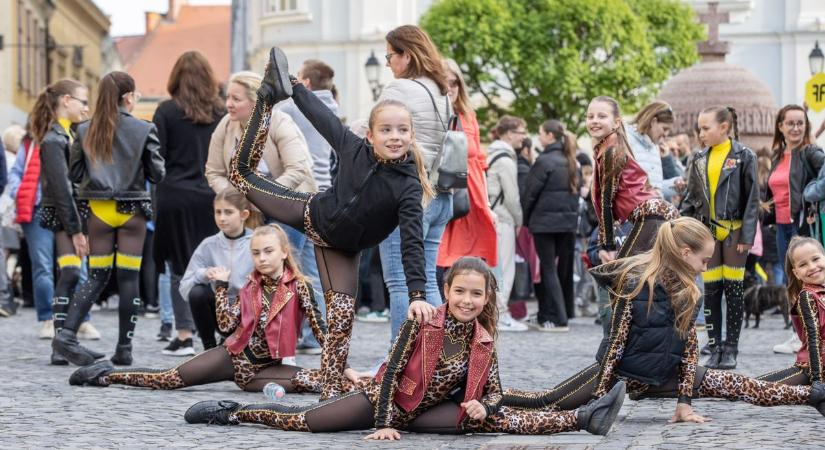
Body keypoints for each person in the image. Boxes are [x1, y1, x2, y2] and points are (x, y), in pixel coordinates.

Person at [184, 256, 627, 438]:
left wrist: (484, 408)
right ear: (446, 290)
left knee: (496, 419)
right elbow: (392, 372)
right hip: (385, 402)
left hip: (426, 411)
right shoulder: (423, 321)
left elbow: (494, 390)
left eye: (477, 295)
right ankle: (233, 412)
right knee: (307, 422)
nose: (468, 301)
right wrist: (382, 424)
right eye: (460, 292)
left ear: (487, 299)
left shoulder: (484, 338)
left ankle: (584, 416)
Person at [227, 47, 434, 400]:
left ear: (411, 136)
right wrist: (292, 87)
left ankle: (330, 389)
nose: (395, 136)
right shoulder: (353, 147)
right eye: (386, 130)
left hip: (343, 250)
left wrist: (417, 294)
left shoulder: (408, 187)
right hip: (309, 212)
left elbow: (412, 242)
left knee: (340, 319)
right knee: (238, 173)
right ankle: (267, 98)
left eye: (402, 130)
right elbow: (322, 118)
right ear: (371, 135)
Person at [501, 217, 825, 421]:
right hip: (620, 373)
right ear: (686, 253)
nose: (705, 267)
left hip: (664, 372)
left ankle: (815, 396)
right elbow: (615, 344)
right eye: (704, 259)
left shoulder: (690, 292)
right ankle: (486, 401)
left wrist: (684, 402)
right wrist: (601, 396)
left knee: (737, 384)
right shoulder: (638, 282)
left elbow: (690, 351)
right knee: (549, 401)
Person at [68, 224, 328, 393]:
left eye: (268, 251)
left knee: (318, 381)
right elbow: (226, 326)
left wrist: (340, 367)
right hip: (233, 358)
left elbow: (322, 331)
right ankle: (107, 375)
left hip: (267, 370)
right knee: (169, 379)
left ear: (284, 252)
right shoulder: (251, 285)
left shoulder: (299, 287)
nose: (261, 258)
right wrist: (222, 288)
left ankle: (359, 388)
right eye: (256, 253)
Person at [53, 71, 166, 366]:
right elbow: (157, 173)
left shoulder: (83, 129)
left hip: (99, 212)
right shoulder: (144, 128)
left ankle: (66, 336)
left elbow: (74, 174)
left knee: (96, 276)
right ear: (129, 97)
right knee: (129, 278)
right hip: (133, 213)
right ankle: (124, 349)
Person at [377, 25, 452, 343]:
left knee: (399, 281)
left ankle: (399, 361)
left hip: (408, 196)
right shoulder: (441, 90)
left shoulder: (400, 90)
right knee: (428, 282)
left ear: (406, 56)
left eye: (389, 56)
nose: (388, 64)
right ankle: (440, 356)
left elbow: (370, 130)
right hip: (440, 195)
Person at [153, 51, 225, 357]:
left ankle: (184, 334)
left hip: (175, 195)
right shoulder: (222, 113)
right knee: (218, 265)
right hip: (212, 195)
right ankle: (223, 331)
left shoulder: (166, 111)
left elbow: (159, 158)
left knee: (180, 267)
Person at [24, 79, 101, 366]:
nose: (86, 107)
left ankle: (64, 341)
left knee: (72, 275)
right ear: (66, 101)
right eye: (82, 101)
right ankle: (62, 342)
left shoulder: (69, 134)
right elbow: (61, 189)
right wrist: (77, 230)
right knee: (71, 274)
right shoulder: (54, 139)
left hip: (74, 216)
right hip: (66, 217)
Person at [681, 106, 759, 370]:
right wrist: (681, 229)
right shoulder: (698, 158)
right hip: (707, 233)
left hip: (735, 231)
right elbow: (690, 199)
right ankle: (714, 347)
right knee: (711, 290)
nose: (701, 133)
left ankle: (731, 348)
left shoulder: (744, 156)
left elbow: (752, 199)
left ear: (724, 127)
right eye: (699, 128)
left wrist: (747, 234)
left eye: (706, 128)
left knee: (734, 290)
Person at [435, 59, 506, 329]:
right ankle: (442, 326)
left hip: (472, 198)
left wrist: (487, 205)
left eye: (454, 82)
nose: (449, 87)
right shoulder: (435, 112)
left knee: (476, 261)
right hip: (446, 195)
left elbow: (479, 162)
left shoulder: (468, 114)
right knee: (442, 261)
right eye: (444, 82)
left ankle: (476, 326)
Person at [278, 59, 340, 354]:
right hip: (325, 194)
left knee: (290, 263)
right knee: (313, 267)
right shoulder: (334, 108)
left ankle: (294, 330)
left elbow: (270, 114)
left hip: (301, 192)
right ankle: (318, 331)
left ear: (307, 84)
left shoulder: (295, 108)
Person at [588, 96, 678, 262]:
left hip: (649, 216)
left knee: (630, 274)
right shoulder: (611, 145)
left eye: (601, 116)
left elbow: (606, 200)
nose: (594, 121)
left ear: (616, 123)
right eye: (590, 116)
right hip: (652, 214)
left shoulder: (612, 150)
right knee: (648, 275)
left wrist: (608, 245)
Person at [179, 188, 255, 350]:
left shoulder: (257, 242)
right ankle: (209, 348)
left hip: (249, 312)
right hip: (221, 311)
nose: (222, 218)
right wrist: (204, 274)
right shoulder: (208, 244)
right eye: (218, 212)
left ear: (244, 215)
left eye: (228, 212)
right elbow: (184, 288)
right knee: (197, 292)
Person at [523, 120, 580, 331]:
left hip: (544, 223)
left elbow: (530, 194)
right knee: (561, 270)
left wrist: (526, 220)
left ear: (549, 135)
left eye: (540, 133)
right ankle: (549, 314)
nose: (539, 137)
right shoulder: (570, 160)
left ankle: (559, 319)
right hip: (567, 224)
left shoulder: (544, 161)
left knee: (548, 268)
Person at [765, 104, 824, 281]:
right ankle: (795, 310)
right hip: (781, 227)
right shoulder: (777, 156)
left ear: (806, 126)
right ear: (780, 126)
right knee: (790, 281)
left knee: (808, 280)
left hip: (804, 224)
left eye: (800, 123)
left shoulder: (811, 152)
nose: (796, 128)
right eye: (790, 123)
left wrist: (809, 193)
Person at [756, 236, 824, 387]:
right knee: (752, 388)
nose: (812, 267)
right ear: (796, 273)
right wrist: (818, 381)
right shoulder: (808, 296)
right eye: (803, 264)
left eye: (815, 259)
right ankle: (702, 382)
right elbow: (814, 341)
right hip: (812, 370)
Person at [487, 116, 526, 323]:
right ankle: (500, 314)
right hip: (503, 218)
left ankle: (495, 312)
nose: (524, 138)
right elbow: (512, 196)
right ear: (509, 133)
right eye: (521, 132)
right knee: (504, 269)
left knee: (494, 267)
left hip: (492, 217)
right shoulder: (505, 159)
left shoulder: (492, 153)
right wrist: (519, 220)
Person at [626, 101, 682, 200]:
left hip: (651, 213)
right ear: (653, 122)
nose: (666, 134)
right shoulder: (626, 141)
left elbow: (655, 187)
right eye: (665, 129)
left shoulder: (654, 147)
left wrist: (674, 184)